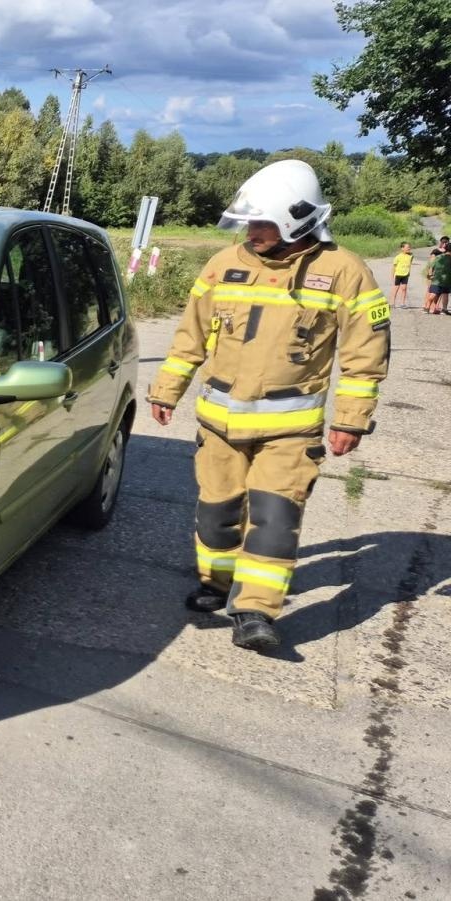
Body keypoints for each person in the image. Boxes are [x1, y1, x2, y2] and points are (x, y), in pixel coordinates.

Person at [148, 160, 389, 652]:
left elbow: (366, 351)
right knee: (216, 516)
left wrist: (351, 420)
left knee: (275, 518)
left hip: (290, 432)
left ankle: (255, 610)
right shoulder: (222, 264)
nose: (252, 232)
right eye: (250, 223)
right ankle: (217, 583)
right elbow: (190, 333)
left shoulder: (344, 271)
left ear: (297, 221)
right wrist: (166, 389)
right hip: (218, 426)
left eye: (264, 223)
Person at [430, 240, 451, 316]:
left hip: (437, 278)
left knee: (435, 293)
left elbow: (432, 266)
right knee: (445, 293)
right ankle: (444, 309)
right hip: (447, 279)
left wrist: (430, 275)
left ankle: (430, 307)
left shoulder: (439, 256)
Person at [391, 242, 413, 308]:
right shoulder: (398, 257)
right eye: (407, 247)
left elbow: (410, 265)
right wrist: (392, 276)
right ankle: (392, 303)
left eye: (409, 247)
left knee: (404, 289)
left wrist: (409, 272)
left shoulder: (410, 256)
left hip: (405, 275)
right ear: (402, 248)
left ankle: (402, 303)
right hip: (398, 274)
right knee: (396, 289)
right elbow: (394, 267)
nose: (409, 248)